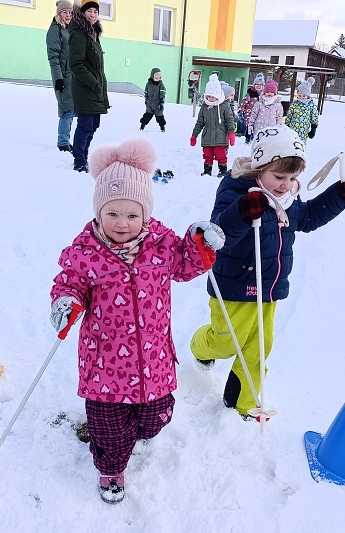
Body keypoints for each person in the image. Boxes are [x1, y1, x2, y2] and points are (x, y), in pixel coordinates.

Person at [49, 137, 225, 503]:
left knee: (157, 415)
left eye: (132, 214)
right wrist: (66, 303)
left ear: (145, 213)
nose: (122, 223)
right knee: (109, 426)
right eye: (112, 213)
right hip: (105, 362)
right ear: (98, 212)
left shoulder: (161, 246)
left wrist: (200, 244)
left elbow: (185, 264)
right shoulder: (86, 253)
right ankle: (111, 468)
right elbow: (69, 282)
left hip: (153, 358)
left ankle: (138, 430)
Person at [189, 124, 345, 418]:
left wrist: (336, 198)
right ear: (259, 167)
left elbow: (306, 218)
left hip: (269, 288)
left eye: (292, 177)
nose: (285, 184)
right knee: (227, 342)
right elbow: (220, 232)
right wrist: (243, 212)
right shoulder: (236, 189)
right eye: (279, 176)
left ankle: (244, 401)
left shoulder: (288, 197)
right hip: (235, 284)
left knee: (258, 348)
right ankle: (201, 346)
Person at [68, 1, 110, 173]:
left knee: (93, 125)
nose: (93, 15)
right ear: (82, 12)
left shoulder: (93, 33)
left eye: (95, 11)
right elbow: (76, 64)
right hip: (85, 88)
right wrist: (93, 82)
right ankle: (79, 161)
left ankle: (84, 155)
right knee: (85, 126)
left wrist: (98, 84)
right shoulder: (79, 33)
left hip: (95, 88)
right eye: (89, 11)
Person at [190, 74, 237, 178]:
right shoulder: (204, 107)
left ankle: (223, 170)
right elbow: (199, 122)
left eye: (213, 96)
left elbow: (230, 120)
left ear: (218, 95)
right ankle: (207, 170)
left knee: (221, 155)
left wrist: (231, 133)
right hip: (207, 137)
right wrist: (194, 135)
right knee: (207, 155)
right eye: (208, 96)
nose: (210, 98)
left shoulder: (224, 106)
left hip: (220, 137)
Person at [46, 1, 75, 153]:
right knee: (67, 110)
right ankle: (63, 142)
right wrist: (58, 78)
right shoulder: (55, 30)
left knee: (72, 110)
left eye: (70, 12)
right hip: (63, 77)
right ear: (59, 13)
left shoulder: (69, 30)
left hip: (73, 77)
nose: (68, 15)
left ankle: (66, 140)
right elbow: (53, 57)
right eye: (65, 12)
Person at [284, 77, 319, 142]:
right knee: (290, 145)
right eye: (299, 96)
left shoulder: (311, 105)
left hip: (303, 132)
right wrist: (286, 126)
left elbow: (314, 117)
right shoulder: (295, 104)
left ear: (308, 95)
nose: (301, 98)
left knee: (300, 146)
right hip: (292, 130)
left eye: (304, 96)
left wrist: (313, 129)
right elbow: (289, 115)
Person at [238, 73, 264, 143]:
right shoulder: (250, 93)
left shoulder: (264, 95)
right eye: (257, 84)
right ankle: (248, 139)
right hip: (249, 115)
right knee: (250, 127)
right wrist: (241, 112)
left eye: (260, 84)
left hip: (260, 115)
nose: (258, 86)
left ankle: (256, 139)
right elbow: (243, 104)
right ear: (254, 85)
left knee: (257, 127)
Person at [140, 68, 167, 132]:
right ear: (152, 77)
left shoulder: (161, 85)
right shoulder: (148, 84)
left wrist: (161, 102)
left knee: (159, 117)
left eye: (160, 78)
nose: (158, 80)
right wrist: (146, 100)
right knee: (147, 116)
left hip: (158, 105)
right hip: (150, 104)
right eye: (156, 78)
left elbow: (162, 93)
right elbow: (146, 92)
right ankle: (142, 126)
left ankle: (162, 127)